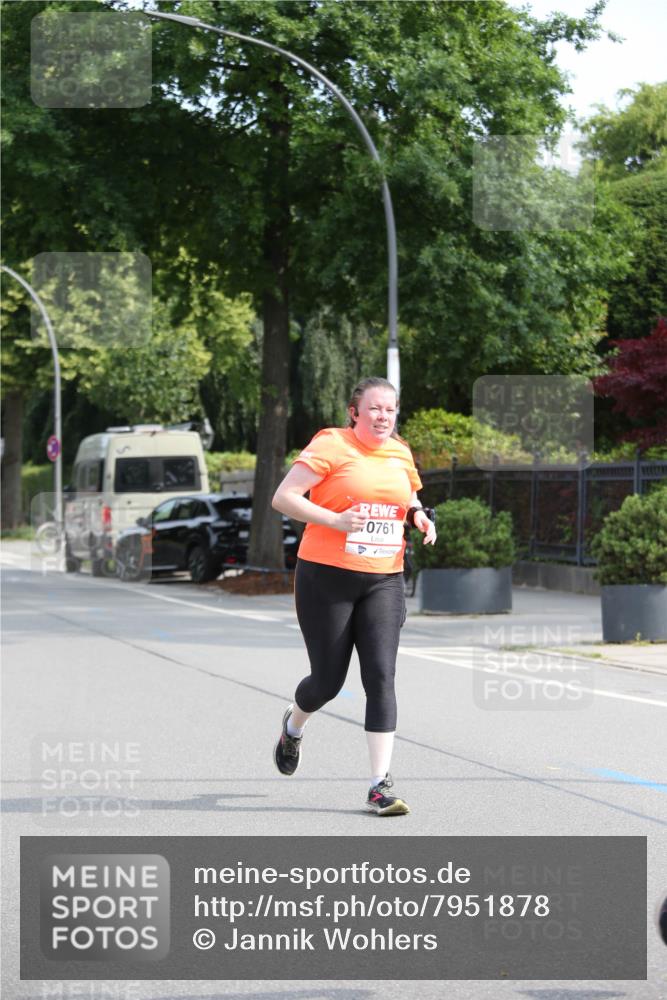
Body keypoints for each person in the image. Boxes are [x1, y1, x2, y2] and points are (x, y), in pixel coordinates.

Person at [271, 376, 436, 815]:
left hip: (384, 577)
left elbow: (409, 495)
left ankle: (379, 785)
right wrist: (335, 520)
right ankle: (293, 725)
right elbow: (284, 498)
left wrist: (419, 515)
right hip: (326, 576)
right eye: (375, 409)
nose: (384, 417)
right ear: (354, 411)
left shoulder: (400, 451)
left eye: (391, 409)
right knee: (327, 682)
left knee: (381, 676)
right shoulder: (331, 445)